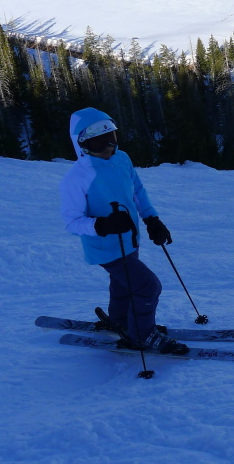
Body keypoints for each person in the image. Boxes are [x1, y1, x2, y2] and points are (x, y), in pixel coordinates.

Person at [59, 107, 187, 355]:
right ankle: (141, 335)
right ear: (82, 144)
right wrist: (102, 225)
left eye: (111, 138)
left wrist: (152, 219)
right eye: (98, 143)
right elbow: (72, 222)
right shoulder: (76, 178)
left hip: (129, 240)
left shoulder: (121, 159)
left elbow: (137, 190)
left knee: (123, 284)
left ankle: (120, 320)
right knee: (148, 286)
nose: (108, 147)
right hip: (105, 247)